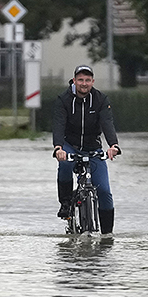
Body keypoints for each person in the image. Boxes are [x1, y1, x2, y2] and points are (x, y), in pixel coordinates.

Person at [52, 65, 121, 234]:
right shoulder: (64, 99)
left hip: (93, 148)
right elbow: (59, 125)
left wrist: (114, 145)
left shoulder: (101, 99)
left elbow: (107, 123)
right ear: (74, 80)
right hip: (70, 145)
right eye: (81, 80)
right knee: (65, 166)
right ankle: (66, 204)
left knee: (104, 190)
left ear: (93, 82)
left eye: (88, 80)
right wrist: (58, 147)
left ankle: (107, 234)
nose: (84, 83)